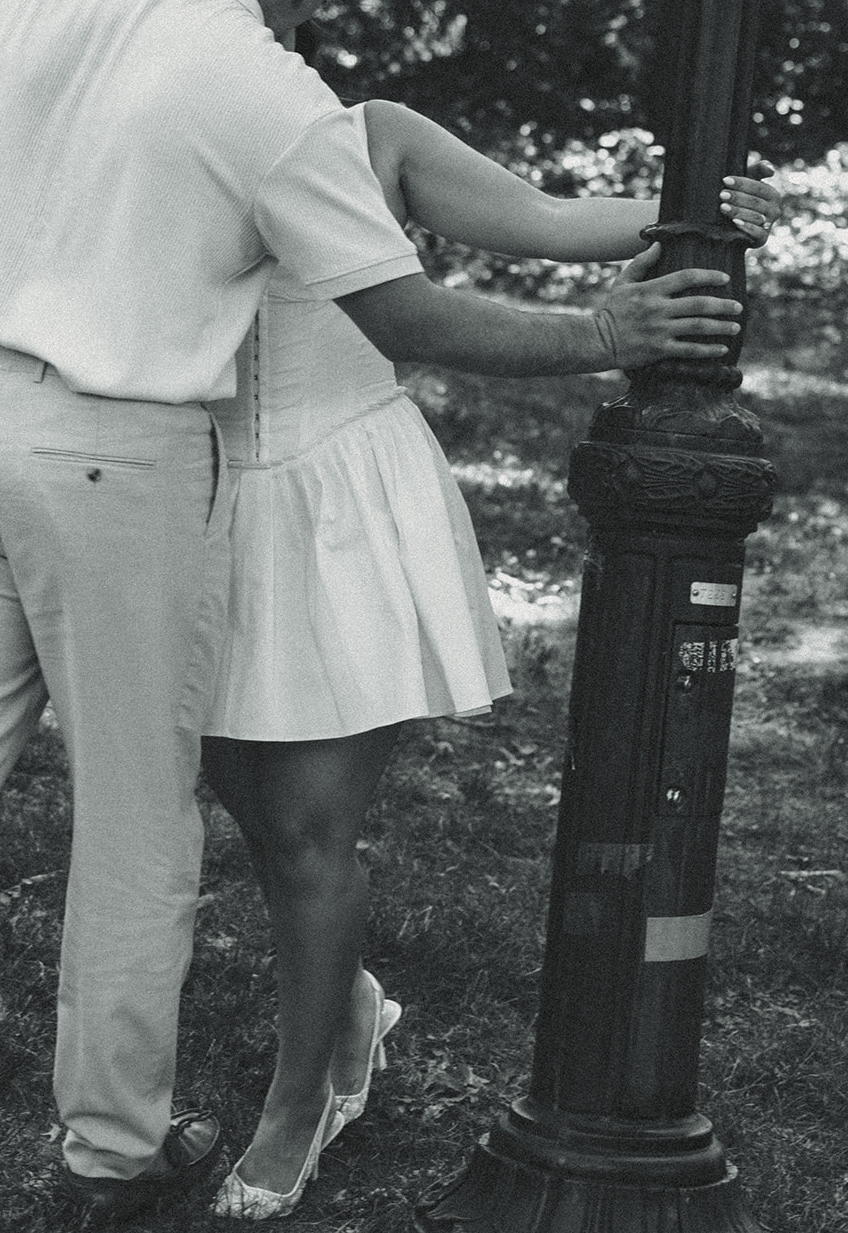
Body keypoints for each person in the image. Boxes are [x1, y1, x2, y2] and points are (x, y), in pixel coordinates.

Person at [0, 0, 745, 1232]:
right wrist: (606, 335)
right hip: (115, 458)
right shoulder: (267, 88)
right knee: (134, 824)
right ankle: (112, 1155)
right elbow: (405, 317)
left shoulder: (9, 4)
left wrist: (21, 262)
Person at [198, 98, 781, 1218]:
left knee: (313, 827)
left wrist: (703, 209)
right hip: (206, 496)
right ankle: (351, 1003)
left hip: (344, 497)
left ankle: (301, 1100)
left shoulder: (371, 137)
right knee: (256, 814)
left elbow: (547, 216)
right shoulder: (175, 127)